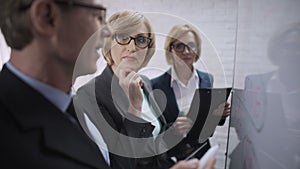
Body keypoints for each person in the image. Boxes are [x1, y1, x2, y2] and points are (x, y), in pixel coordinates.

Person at [74, 11, 217, 169]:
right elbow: (119, 166)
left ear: (148, 48)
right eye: (122, 37)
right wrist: (134, 109)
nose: (132, 47)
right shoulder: (89, 95)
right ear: (108, 43)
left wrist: (174, 131)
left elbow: (156, 146)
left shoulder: (146, 83)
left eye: (141, 40)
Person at [151, 24, 231, 160]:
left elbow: (207, 121)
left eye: (191, 45)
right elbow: (154, 131)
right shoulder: (155, 85)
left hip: (201, 151)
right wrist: (174, 129)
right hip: (172, 157)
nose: (187, 51)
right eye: (179, 46)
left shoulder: (207, 79)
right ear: (170, 50)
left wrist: (219, 115)